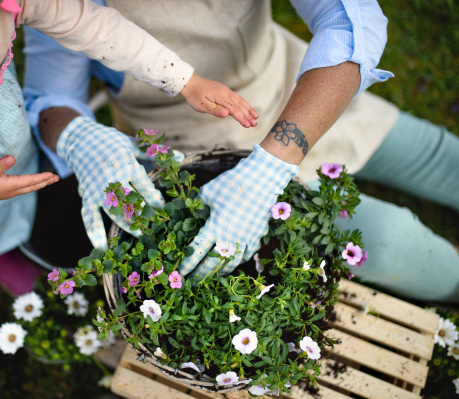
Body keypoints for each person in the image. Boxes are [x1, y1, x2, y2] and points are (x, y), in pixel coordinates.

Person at [23, 0, 459, 302]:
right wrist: (78, 134)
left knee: (443, 158)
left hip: (300, 88)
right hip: (195, 152)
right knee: (393, 239)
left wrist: (272, 164)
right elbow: (49, 96)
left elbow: (352, 20)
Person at [0, 0, 258, 282]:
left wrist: (184, 80)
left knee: (24, 195)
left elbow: (93, 25)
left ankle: (13, 232)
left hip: (0, 137)